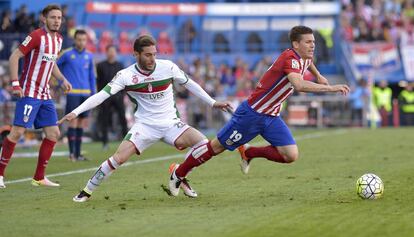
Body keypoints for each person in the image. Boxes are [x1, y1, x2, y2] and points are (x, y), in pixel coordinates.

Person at [168, 26, 350, 197]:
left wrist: (318, 75)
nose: (312, 45)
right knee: (215, 147)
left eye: (313, 42)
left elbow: (308, 63)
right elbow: (299, 85)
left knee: (290, 155)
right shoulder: (290, 59)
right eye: (308, 42)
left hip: (271, 116)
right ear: (295, 44)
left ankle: (249, 153)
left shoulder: (304, 58)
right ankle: (178, 173)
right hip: (252, 114)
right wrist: (332, 88)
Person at [58, 35, 231, 202]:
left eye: (154, 54)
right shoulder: (125, 75)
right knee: (118, 158)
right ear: (136, 54)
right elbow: (101, 95)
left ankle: (179, 174)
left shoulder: (168, 67)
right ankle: (86, 191)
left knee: (204, 145)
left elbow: (190, 84)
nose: (152, 59)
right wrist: (76, 111)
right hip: (145, 126)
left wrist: (212, 102)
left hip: (171, 123)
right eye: (148, 55)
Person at [0, 4, 72, 188]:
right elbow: (14, 57)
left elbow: (51, 63)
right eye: (53, 17)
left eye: (59, 18)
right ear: (44, 18)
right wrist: (15, 83)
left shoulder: (59, 39)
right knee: (17, 132)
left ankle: (39, 177)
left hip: (44, 93)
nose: (57, 21)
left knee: (54, 133)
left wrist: (62, 79)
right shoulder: (35, 36)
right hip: (29, 92)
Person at [57, 29, 96, 161]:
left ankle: (78, 154)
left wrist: (93, 94)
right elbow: (53, 67)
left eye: (84, 40)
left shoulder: (90, 56)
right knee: (72, 122)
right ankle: (71, 154)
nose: (81, 42)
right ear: (75, 40)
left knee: (81, 124)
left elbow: (92, 76)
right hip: (72, 93)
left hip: (86, 94)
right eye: (79, 39)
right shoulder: (67, 54)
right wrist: (60, 83)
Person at [95, 45, 127, 150]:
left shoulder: (120, 65)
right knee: (104, 119)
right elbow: (98, 82)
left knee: (123, 118)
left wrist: (122, 95)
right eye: (110, 51)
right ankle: (104, 143)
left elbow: (124, 82)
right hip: (105, 96)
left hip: (118, 96)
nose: (111, 53)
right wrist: (100, 96)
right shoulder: (100, 65)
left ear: (116, 53)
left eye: (113, 51)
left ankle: (127, 142)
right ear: (106, 52)